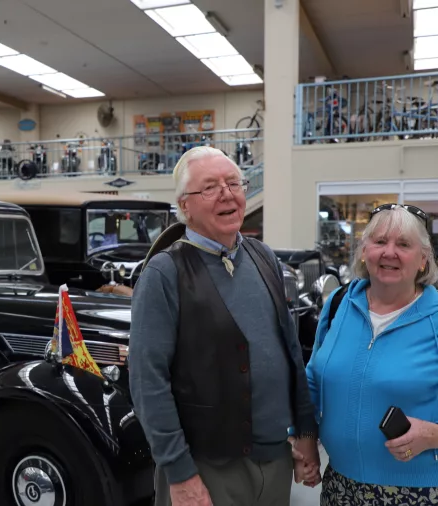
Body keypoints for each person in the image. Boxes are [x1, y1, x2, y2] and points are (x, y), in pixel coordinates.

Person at [129, 146, 320, 506]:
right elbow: (147, 382)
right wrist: (180, 472)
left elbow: (289, 351)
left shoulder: (262, 257)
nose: (227, 194)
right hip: (205, 468)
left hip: (274, 459)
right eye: (211, 187)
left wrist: (305, 430)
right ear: (185, 205)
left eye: (234, 183)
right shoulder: (163, 274)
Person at [306, 203, 438, 505]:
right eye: (380, 241)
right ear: (364, 251)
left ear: (423, 259)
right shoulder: (338, 304)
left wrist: (437, 433)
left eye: (403, 244)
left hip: (428, 492)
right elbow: (313, 380)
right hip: (342, 487)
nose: (389, 252)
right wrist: (305, 437)